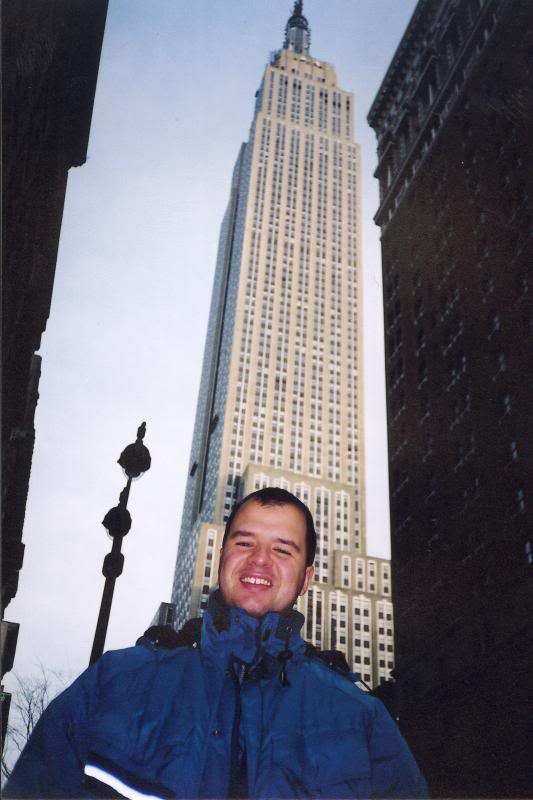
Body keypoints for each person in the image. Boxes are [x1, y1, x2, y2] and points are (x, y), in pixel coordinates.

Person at [6, 488, 427, 799]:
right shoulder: (116, 682)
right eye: (245, 543)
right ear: (222, 555)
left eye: (283, 550)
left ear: (306, 578)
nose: (259, 560)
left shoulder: (362, 721)